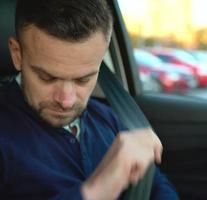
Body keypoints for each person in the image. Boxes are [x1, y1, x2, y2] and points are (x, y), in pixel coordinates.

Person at [0, 0, 179, 199]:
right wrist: (95, 191)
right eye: (47, 78)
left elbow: (156, 185)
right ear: (17, 54)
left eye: (83, 80)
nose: (66, 101)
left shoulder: (108, 118)